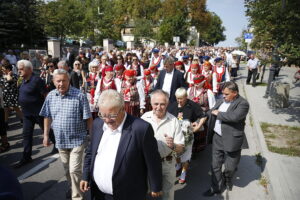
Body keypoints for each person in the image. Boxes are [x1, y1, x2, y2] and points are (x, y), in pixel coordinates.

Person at [80, 89, 162, 200]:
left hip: (128, 194)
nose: (107, 120)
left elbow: (153, 161)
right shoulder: (97, 124)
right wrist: (85, 176)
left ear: (123, 109)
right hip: (99, 194)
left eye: (112, 115)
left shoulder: (141, 129)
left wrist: (156, 186)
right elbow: (90, 153)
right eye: (102, 115)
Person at [40, 69, 93, 200]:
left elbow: (88, 118)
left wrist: (91, 137)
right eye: (58, 81)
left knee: (74, 170)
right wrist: (46, 135)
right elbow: (47, 116)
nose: (61, 83)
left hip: (77, 140)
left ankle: (77, 197)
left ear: (69, 80)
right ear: (53, 82)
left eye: (64, 80)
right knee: (67, 170)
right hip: (61, 140)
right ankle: (73, 189)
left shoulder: (79, 95)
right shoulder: (51, 96)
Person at [203, 81, 249, 196]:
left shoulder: (243, 104)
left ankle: (227, 178)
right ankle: (216, 188)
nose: (223, 96)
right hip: (217, 138)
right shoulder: (220, 101)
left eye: (226, 94)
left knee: (230, 167)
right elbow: (210, 111)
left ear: (235, 93)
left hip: (232, 141)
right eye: (223, 93)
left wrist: (218, 113)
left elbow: (235, 117)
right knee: (215, 165)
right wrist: (200, 119)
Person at [141, 89, 184, 200]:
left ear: (167, 104)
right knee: (147, 193)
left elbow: (181, 148)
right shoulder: (144, 119)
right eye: (156, 104)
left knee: (168, 195)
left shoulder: (174, 121)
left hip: (167, 164)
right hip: (148, 165)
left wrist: (173, 146)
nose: (159, 107)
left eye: (162, 104)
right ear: (151, 103)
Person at [167, 88, 206, 184]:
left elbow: (203, 116)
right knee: (176, 154)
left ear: (186, 97)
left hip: (187, 137)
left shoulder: (192, 105)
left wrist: (197, 127)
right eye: (177, 98)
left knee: (186, 157)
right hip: (176, 136)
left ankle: (183, 174)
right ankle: (178, 166)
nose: (179, 101)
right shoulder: (172, 106)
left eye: (181, 98)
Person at [15, 60, 47, 168]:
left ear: (29, 69)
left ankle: (59, 146)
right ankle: (26, 157)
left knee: (47, 131)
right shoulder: (22, 80)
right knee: (26, 135)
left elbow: (46, 95)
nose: (19, 71)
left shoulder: (37, 80)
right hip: (27, 114)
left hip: (38, 113)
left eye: (21, 69)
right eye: (18, 69)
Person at [0, 64, 23, 130]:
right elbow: (2, 86)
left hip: (12, 94)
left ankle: (23, 119)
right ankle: (5, 123)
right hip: (5, 95)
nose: (2, 70)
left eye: (3, 69)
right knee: (6, 109)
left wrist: (9, 74)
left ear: (8, 69)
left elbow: (9, 80)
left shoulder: (13, 76)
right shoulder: (2, 76)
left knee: (16, 108)